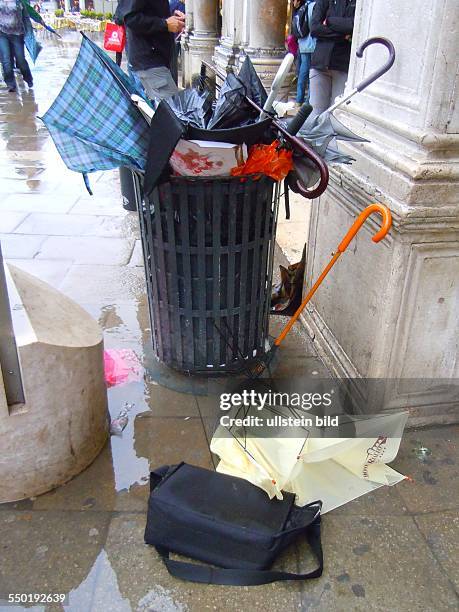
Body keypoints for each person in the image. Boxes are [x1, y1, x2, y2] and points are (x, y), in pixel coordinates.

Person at [116, 0, 184, 101]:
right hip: (150, 60)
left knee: (166, 110)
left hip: (154, 59)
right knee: (173, 111)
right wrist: (164, 23)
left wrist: (169, 19)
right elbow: (131, 18)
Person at [309, 0, 355, 119]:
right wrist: (342, 35)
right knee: (315, 115)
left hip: (342, 64)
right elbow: (314, 28)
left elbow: (352, 26)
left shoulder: (356, 3)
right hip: (320, 63)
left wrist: (329, 21)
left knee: (336, 115)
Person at [0, 0, 34, 93]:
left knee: (21, 60)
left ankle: (28, 78)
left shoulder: (19, 2)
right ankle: (11, 84)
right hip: (2, 34)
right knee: (6, 60)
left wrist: (30, 32)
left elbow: (27, 16)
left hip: (17, 34)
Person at [291, 0, 315, 106]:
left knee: (302, 72)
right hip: (313, 44)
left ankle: (298, 100)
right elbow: (314, 26)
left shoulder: (302, 7)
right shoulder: (313, 6)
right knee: (312, 73)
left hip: (303, 44)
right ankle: (308, 101)